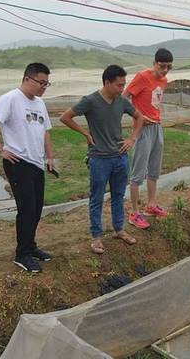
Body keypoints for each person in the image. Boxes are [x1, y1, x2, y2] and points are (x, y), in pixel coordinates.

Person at [59, 64, 145, 254]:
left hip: (120, 157)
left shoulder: (122, 102)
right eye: (119, 85)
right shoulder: (90, 101)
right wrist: (85, 134)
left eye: (123, 85)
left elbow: (140, 117)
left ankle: (119, 229)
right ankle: (96, 237)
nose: (122, 89)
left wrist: (132, 138)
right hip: (99, 159)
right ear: (107, 82)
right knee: (96, 198)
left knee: (118, 195)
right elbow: (65, 117)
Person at [0, 62, 56, 273]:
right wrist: (0, 149)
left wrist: (50, 157)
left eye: (47, 84)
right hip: (18, 162)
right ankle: (22, 254)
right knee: (27, 208)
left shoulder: (40, 103)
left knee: (37, 208)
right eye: (41, 82)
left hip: (36, 162)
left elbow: (45, 131)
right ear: (27, 79)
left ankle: (31, 247)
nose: (43, 87)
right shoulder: (10, 99)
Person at [123, 48, 173, 229]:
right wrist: (137, 117)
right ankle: (134, 213)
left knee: (154, 169)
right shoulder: (142, 77)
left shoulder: (164, 80)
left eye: (168, 67)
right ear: (155, 63)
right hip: (142, 129)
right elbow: (124, 97)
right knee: (138, 172)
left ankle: (151, 205)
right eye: (162, 66)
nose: (165, 70)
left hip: (157, 127)